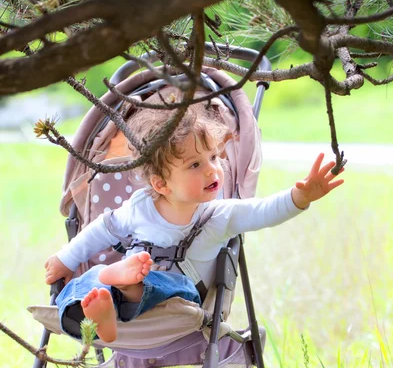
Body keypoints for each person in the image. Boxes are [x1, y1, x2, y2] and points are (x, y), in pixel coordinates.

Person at [45, 90, 344, 344]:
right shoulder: (140, 207)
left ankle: (128, 286)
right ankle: (107, 309)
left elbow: (263, 211)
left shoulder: (219, 215)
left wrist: (300, 197)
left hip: (177, 305)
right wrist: (67, 259)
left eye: (214, 157)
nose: (212, 170)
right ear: (161, 184)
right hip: (117, 291)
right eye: (194, 165)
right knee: (86, 282)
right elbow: (101, 229)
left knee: (174, 287)